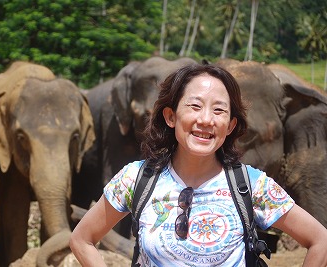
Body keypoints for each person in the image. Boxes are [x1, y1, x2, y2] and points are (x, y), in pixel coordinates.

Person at [69, 63, 327, 266]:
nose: (206, 120)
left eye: (219, 111)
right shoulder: (136, 179)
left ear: (231, 126)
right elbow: (81, 239)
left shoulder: (250, 186)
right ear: (171, 116)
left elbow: (320, 240)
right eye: (195, 106)